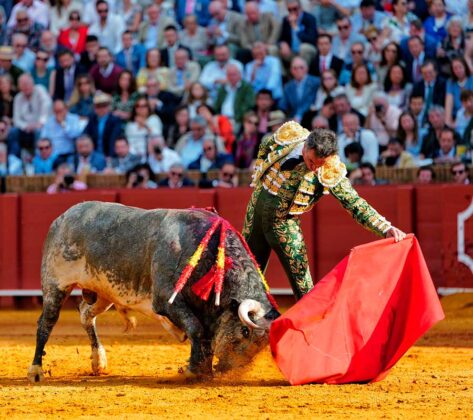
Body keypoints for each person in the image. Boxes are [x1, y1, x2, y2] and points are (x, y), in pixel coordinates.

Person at [242, 122, 406, 299]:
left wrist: (384, 227)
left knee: (303, 282)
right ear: (306, 146)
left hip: (284, 223)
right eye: (311, 161)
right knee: (245, 273)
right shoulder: (291, 135)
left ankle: (309, 318)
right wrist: (259, 171)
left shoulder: (330, 169)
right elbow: (266, 145)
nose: (314, 168)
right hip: (256, 208)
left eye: (319, 165)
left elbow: (354, 202)